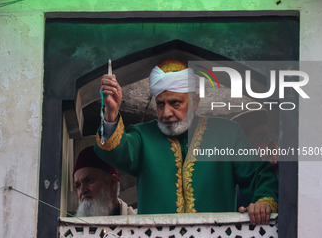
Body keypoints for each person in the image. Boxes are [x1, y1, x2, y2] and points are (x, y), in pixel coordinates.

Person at [94, 59, 278, 225]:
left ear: (195, 101)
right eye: (160, 104)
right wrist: (111, 114)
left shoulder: (226, 133)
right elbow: (115, 149)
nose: (166, 113)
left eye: (175, 103)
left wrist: (263, 202)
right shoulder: (144, 135)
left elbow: (259, 174)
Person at [73, 146, 137, 217]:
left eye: (89, 181)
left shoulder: (140, 222)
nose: (82, 190)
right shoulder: (72, 227)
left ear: (112, 182)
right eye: (78, 185)